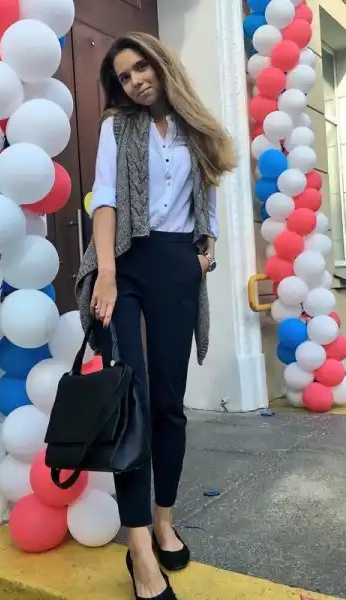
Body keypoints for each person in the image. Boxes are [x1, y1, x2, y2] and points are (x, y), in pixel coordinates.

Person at [75, 32, 236, 600]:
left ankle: (164, 520)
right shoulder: (117, 128)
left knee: (169, 402)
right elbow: (105, 198)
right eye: (124, 75)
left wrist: (204, 252)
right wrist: (107, 273)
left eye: (142, 67)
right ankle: (140, 550)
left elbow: (207, 199)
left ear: (162, 66)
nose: (136, 80)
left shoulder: (197, 130)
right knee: (131, 402)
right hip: (124, 260)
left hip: (175, 264)